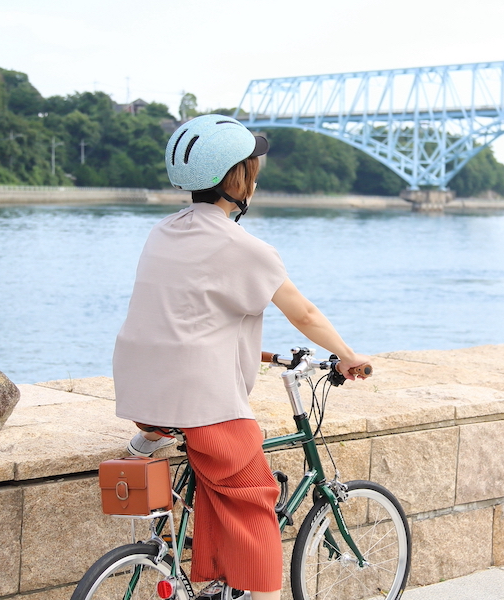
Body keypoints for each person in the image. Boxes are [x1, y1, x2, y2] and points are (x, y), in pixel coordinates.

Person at [112, 114, 371, 600]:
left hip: (140, 394)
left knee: (217, 483)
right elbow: (306, 313)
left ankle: (151, 446)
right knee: (256, 504)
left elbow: (190, 313)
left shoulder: (162, 232)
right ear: (239, 178)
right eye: (252, 166)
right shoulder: (245, 247)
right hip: (201, 404)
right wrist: (349, 356)